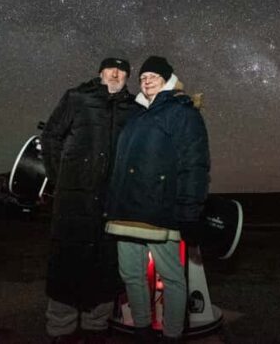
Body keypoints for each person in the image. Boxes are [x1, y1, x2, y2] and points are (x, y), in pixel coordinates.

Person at [105, 56, 210, 343]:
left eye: (153, 75)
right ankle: (142, 330)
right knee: (131, 274)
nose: (146, 80)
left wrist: (190, 211)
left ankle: (172, 334)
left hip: (159, 210)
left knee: (172, 277)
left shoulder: (182, 112)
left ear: (167, 79)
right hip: (126, 211)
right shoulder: (136, 115)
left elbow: (195, 164)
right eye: (142, 77)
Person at [39, 57, 136, 344]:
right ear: (100, 72)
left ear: (127, 77)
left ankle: (96, 326)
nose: (115, 73)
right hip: (75, 199)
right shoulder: (77, 97)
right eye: (110, 69)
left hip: (111, 201)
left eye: (121, 70)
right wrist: (61, 178)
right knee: (67, 261)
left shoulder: (134, 108)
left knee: (105, 265)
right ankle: (62, 328)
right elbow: (51, 136)